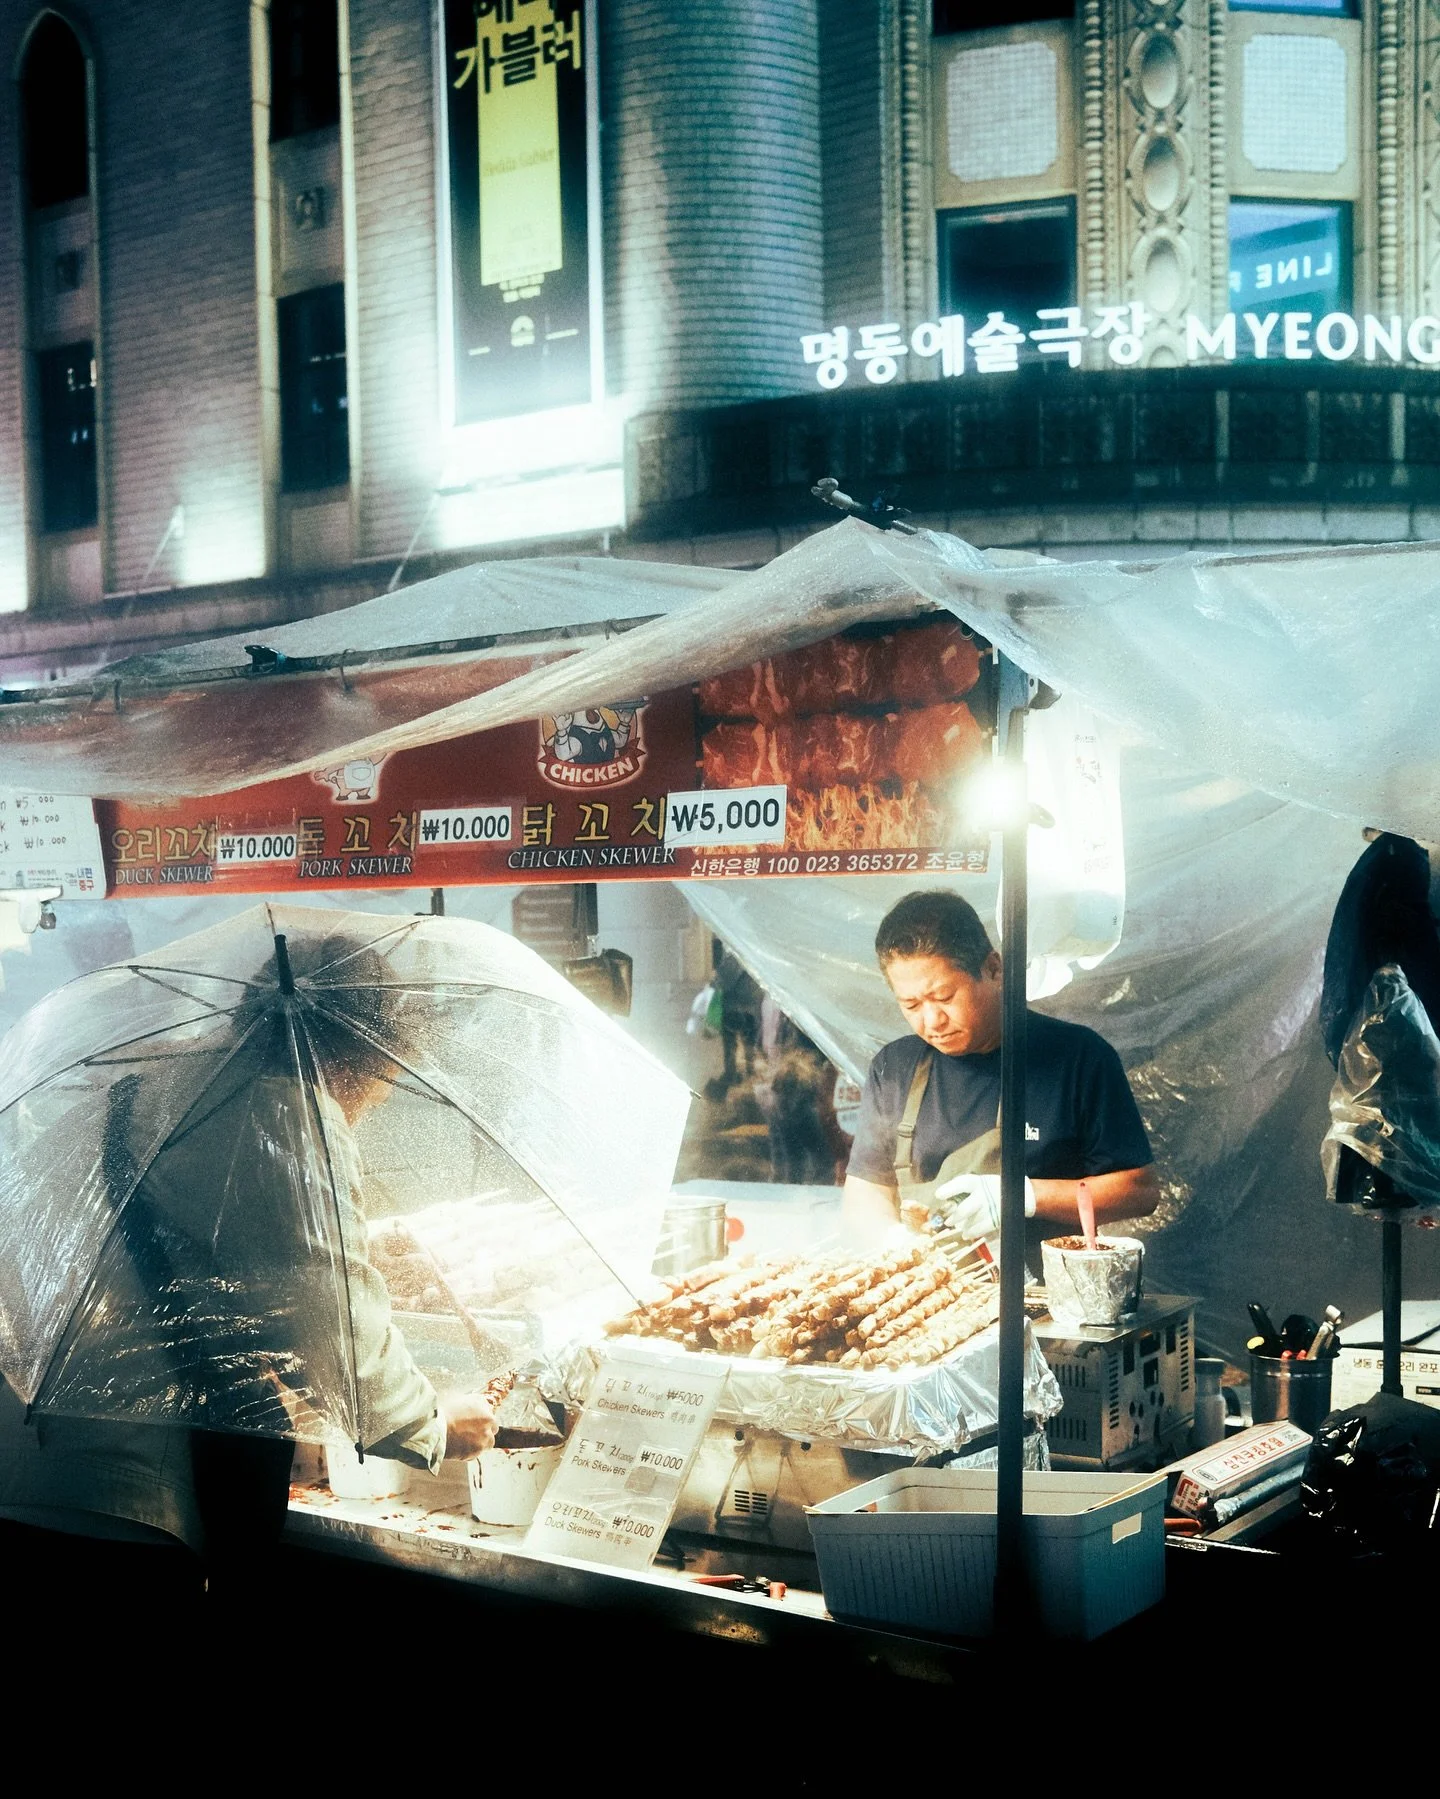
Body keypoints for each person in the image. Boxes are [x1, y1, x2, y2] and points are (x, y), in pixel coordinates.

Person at [843, 890, 1159, 1263]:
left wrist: (1022, 1197)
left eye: (944, 996)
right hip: (931, 1300)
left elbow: (1139, 1190)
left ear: (993, 969)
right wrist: (890, 1238)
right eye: (910, 1004)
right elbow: (866, 1190)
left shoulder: (1078, 1057)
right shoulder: (893, 1069)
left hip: (1043, 1303)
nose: (931, 1021)